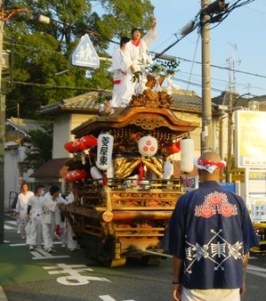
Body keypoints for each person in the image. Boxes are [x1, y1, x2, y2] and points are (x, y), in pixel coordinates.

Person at [165, 151, 258, 301]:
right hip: (230, 281)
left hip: (195, 281)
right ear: (221, 171)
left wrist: (176, 281)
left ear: (199, 170)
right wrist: (242, 278)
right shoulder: (237, 201)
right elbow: (244, 249)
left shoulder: (186, 201)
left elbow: (178, 250)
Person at [124, 16, 157, 97]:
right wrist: (132, 68)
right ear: (132, 35)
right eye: (136, 32)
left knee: (144, 82)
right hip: (133, 68)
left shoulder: (143, 42)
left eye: (139, 32)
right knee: (132, 85)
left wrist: (154, 24)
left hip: (143, 66)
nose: (138, 33)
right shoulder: (128, 45)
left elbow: (150, 34)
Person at [41, 185, 64, 253]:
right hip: (45, 216)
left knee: (51, 233)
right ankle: (47, 247)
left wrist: (61, 204)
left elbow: (64, 202)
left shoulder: (58, 196)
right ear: (54, 192)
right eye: (57, 192)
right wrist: (57, 204)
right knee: (46, 232)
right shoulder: (46, 197)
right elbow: (51, 205)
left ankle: (50, 246)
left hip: (53, 217)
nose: (58, 193)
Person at [110, 36, 131, 108]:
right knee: (118, 91)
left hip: (127, 75)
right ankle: (114, 105)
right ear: (123, 43)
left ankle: (124, 105)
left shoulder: (128, 53)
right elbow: (116, 64)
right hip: (119, 75)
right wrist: (122, 70)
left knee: (127, 90)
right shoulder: (117, 52)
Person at [26, 185, 45, 250]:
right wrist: (28, 215)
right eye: (41, 189)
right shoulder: (31, 198)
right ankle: (31, 244)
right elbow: (29, 207)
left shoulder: (43, 198)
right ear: (37, 190)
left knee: (40, 231)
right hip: (33, 216)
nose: (42, 191)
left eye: (42, 190)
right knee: (32, 230)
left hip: (41, 216)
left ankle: (38, 244)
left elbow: (44, 208)